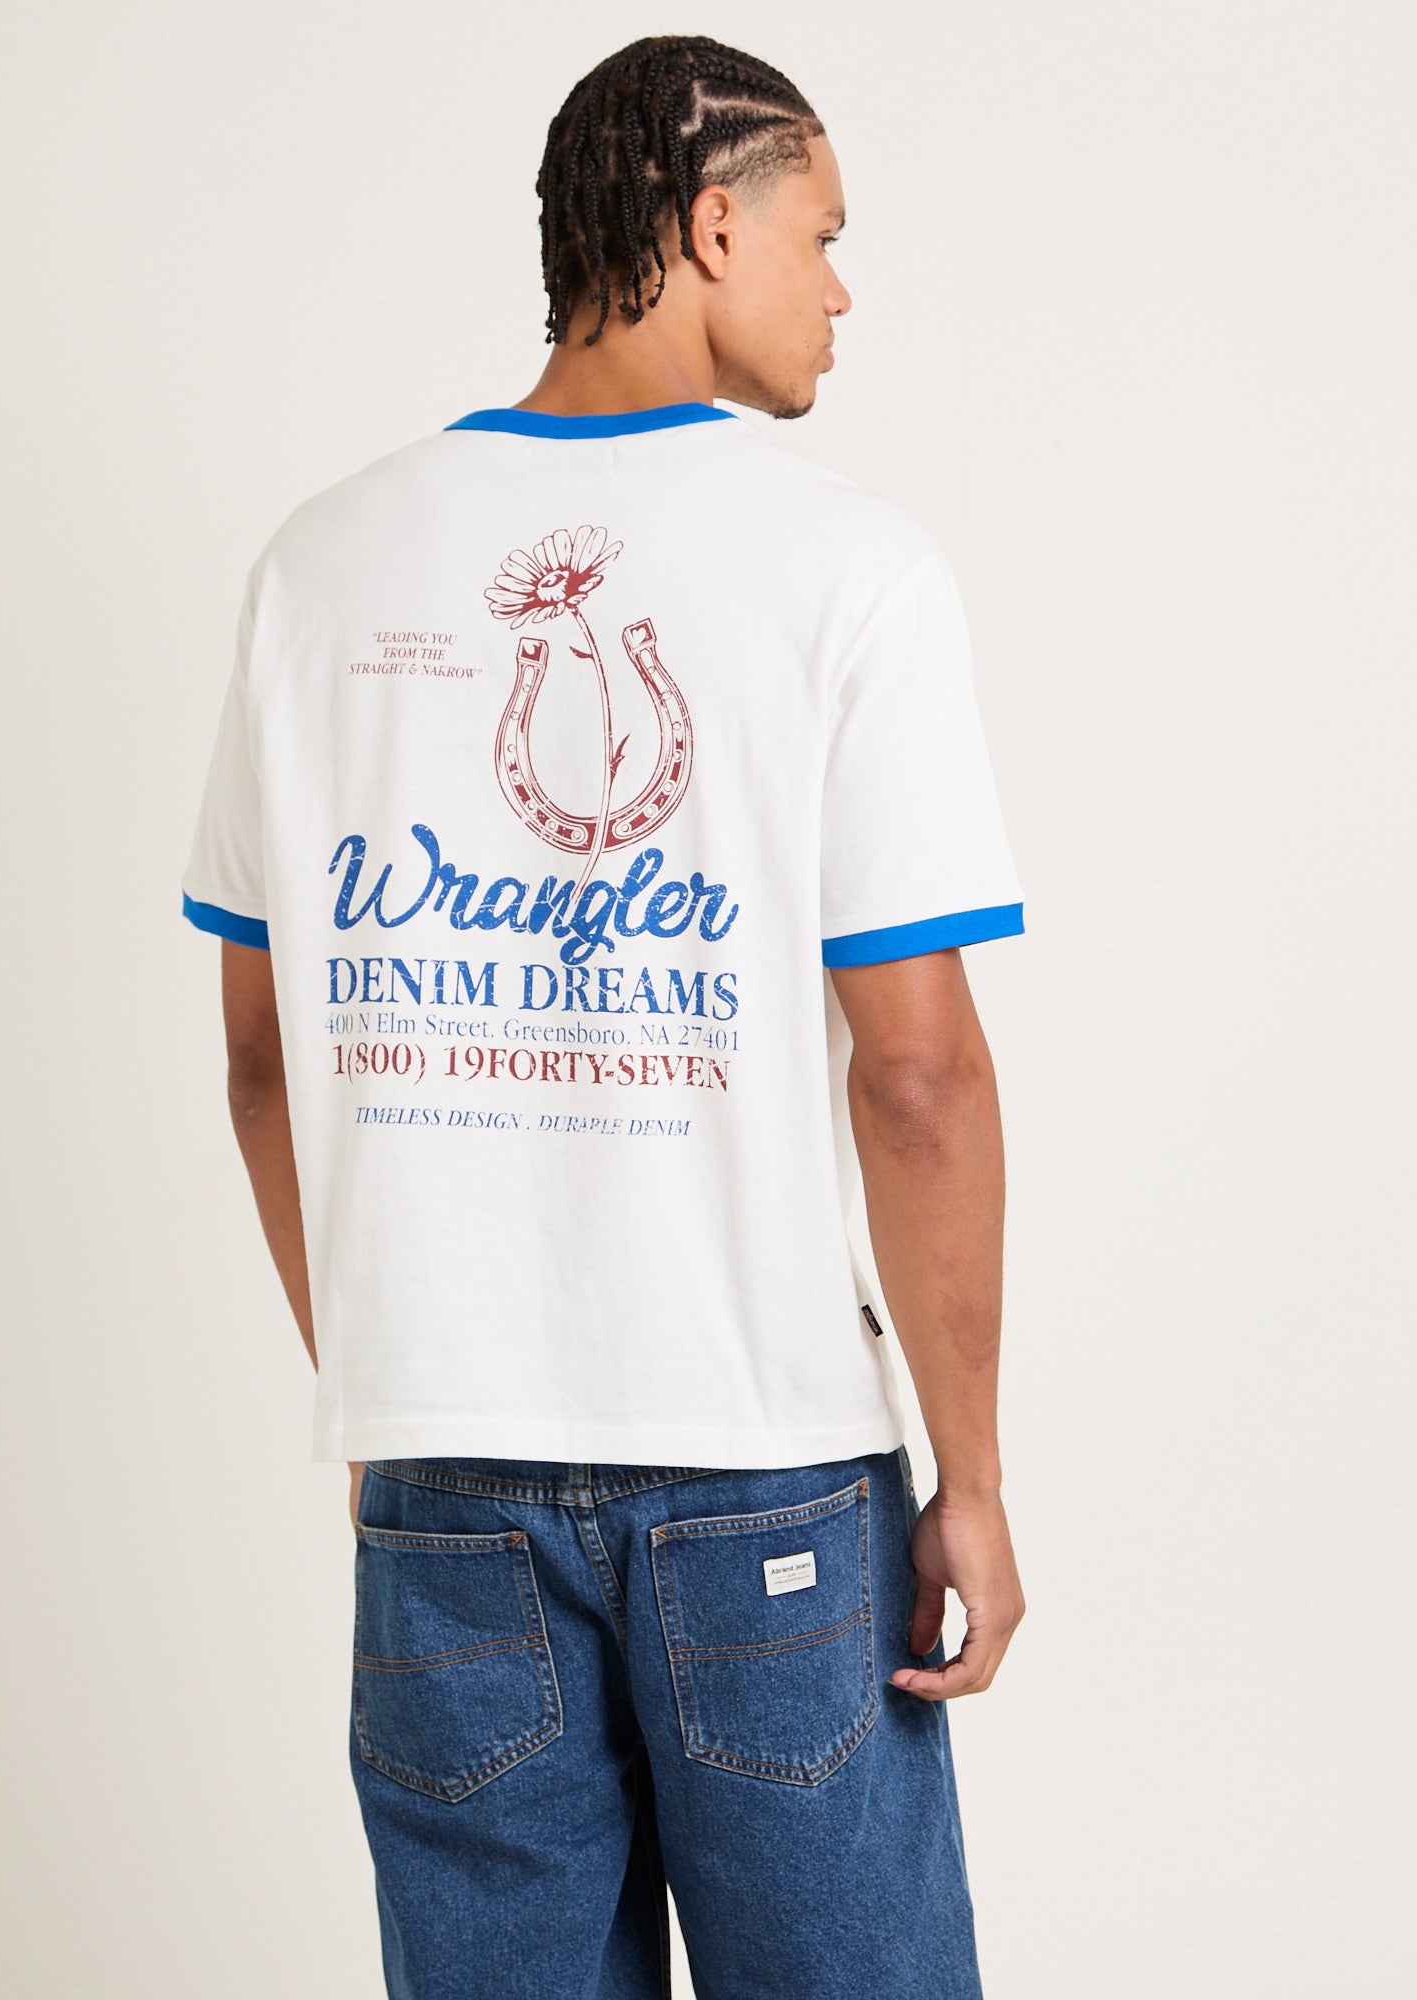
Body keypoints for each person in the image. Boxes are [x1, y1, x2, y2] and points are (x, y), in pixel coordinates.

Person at [180, 33, 1024, 2000]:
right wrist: (972, 1478)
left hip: (442, 1483)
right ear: (711, 224)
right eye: (821, 235)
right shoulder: (850, 572)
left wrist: (393, 1378)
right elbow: (915, 1076)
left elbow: (260, 1057)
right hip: (768, 1466)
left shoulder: (318, 567)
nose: (841, 291)